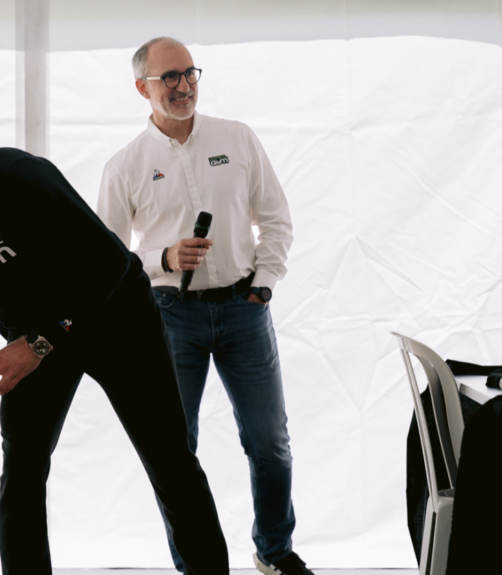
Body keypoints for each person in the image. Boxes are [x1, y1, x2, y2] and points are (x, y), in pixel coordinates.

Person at [0, 82, 229, 575]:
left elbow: (108, 268)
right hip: (31, 338)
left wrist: (39, 342)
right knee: (21, 474)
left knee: (170, 461)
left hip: (114, 318)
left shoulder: (18, 178)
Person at [97, 38, 311, 575]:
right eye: (168, 77)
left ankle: (275, 552)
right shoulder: (126, 165)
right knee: (174, 450)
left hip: (244, 309)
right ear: (142, 87)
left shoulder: (236, 139)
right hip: (170, 317)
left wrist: (263, 283)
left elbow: (277, 218)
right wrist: (163, 256)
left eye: (189, 73)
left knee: (270, 443)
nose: (183, 85)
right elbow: (105, 258)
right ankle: (196, 564)